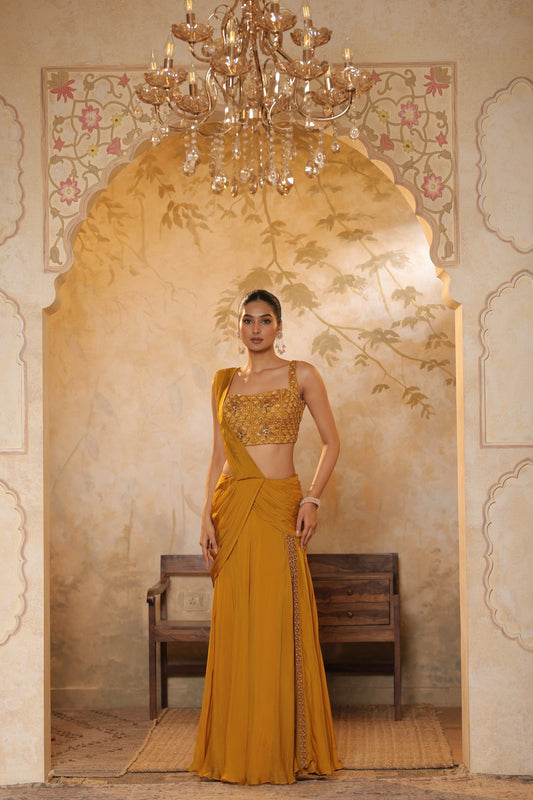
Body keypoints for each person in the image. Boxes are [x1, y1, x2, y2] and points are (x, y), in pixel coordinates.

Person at [188, 288, 341, 785]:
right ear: (238, 326)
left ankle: (282, 748)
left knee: (277, 621)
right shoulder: (223, 382)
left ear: (279, 326)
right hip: (232, 509)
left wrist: (312, 499)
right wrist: (206, 515)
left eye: (265, 320)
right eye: (248, 320)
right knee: (236, 622)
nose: (256, 329)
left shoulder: (302, 374)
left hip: (279, 509)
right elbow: (217, 456)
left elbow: (332, 442)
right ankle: (235, 749)